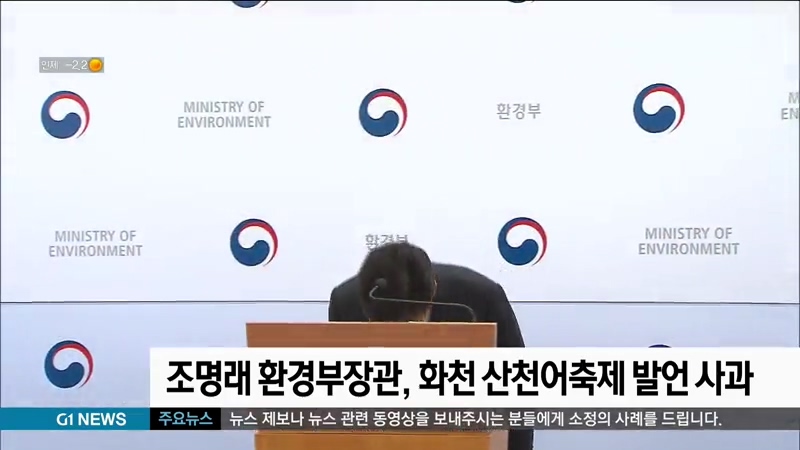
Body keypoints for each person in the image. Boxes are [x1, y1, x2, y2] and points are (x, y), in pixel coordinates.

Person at [328, 241, 533, 450]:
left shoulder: (479, 300)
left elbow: (519, 393)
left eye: (412, 324)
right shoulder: (346, 304)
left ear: (433, 290)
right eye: (389, 328)